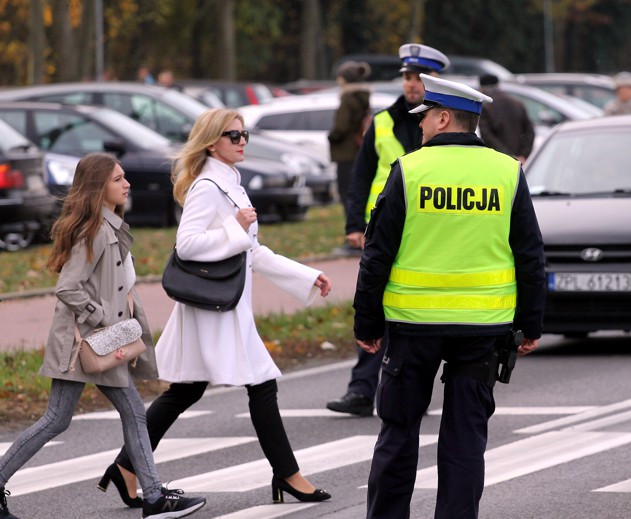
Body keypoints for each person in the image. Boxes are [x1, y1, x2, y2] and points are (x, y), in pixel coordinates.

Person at [100, 108, 333, 508]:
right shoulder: (209, 186)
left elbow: (252, 252)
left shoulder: (231, 184)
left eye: (244, 136)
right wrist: (235, 228)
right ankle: (288, 474)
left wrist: (305, 276)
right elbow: (186, 245)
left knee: (187, 390)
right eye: (234, 136)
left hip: (226, 305)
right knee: (260, 384)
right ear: (212, 142)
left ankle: (125, 467)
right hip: (214, 309)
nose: (242, 142)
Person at [353, 74, 546, 519]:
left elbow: (376, 255)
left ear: (443, 118)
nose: (419, 126)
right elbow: (530, 256)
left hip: (412, 328)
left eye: (425, 118)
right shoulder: (507, 172)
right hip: (484, 330)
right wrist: (531, 324)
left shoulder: (410, 170)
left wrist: (366, 324)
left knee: (398, 436)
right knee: (465, 442)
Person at [0, 153, 206, 519]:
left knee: (131, 414)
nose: (127, 184)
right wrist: (100, 317)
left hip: (103, 341)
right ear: (98, 187)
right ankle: (155, 498)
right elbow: (69, 287)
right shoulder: (93, 231)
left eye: (125, 177)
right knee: (57, 419)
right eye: (118, 179)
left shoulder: (109, 226)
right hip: (85, 342)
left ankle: (155, 497)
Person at [327, 43, 450, 417]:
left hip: (429, 233)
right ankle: (362, 390)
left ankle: (413, 388)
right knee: (373, 305)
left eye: (419, 78)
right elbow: (361, 177)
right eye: (408, 78)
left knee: (419, 311)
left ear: (436, 82)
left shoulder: (448, 122)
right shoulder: (382, 121)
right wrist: (353, 225)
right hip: (381, 231)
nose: (412, 85)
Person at [328, 60, 372, 253]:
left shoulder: (347, 98)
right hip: (358, 151)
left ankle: (353, 237)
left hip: (346, 152)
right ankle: (363, 235)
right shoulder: (363, 97)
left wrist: (331, 136)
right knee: (357, 193)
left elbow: (341, 127)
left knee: (347, 195)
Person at [477, 73, 535, 162]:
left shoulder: (485, 107)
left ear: (482, 88)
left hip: (498, 160)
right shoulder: (517, 103)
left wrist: (507, 156)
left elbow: (487, 136)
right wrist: (523, 155)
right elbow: (530, 132)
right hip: (519, 161)